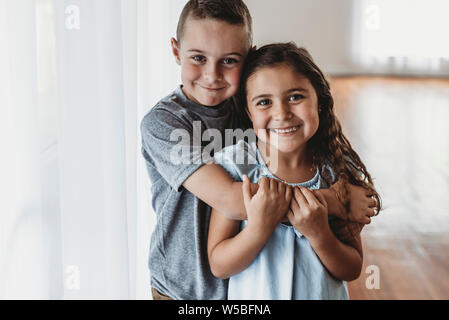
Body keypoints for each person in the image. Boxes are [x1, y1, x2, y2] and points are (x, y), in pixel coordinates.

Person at [141, 0, 375, 300]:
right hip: (184, 289)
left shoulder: (254, 113)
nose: (212, 75)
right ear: (176, 51)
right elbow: (232, 198)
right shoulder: (164, 123)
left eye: (229, 60)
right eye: (198, 57)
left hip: (245, 284)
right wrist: (335, 201)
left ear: (247, 58)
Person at [208, 42, 381, 300]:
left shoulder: (337, 168)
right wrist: (258, 229)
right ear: (248, 111)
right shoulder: (237, 166)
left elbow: (352, 267)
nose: (282, 113)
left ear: (319, 101)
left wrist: (319, 234)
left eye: (295, 97)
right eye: (264, 102)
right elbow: (219, 265)